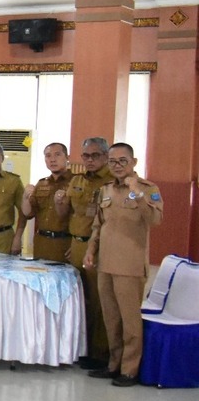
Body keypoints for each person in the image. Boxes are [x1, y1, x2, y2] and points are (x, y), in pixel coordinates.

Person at [83, 143, 162, 388]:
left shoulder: (148, 189)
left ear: (134, 162)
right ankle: (113, 364)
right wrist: (90, 250)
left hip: (130, 265)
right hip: (105, 263)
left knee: (130, 321)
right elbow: (99, 223)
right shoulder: (106, 189)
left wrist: (137, 192)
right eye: (113, 161)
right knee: (111, 318)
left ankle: (129, 369)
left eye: (122, 161)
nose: (117, 166)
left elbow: (156, 220)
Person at [63, 136, 114, 369]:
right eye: (86, 156)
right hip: (77, 245)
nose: (90, 160)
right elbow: (72, 215)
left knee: (100, 300)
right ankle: (81, 348)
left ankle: (100, 352)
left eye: (95, 156)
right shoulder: (77, 181)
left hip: (101, 248)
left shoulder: (113, 181)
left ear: (105, 156)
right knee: (79, 300)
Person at [23, 142, 73, 262]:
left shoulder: (76, 182)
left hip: (65, 243)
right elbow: (29, 214)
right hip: (42, 242)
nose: (52, 160)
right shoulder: (41, 184)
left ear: (67, 157)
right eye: (48, 156)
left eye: (57, 155)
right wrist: (25, 197)